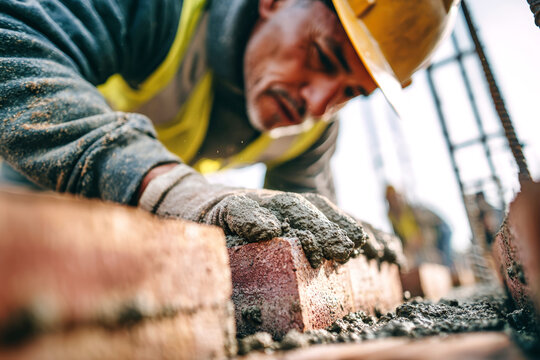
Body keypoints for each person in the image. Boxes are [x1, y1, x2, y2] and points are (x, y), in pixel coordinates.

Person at [0, 0, 459, 268]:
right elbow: (12, 37)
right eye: (323, 55)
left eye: (351, 92)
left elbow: (298, 234)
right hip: (25, 199)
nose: (317, 104)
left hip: (121, 248)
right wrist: (162, 184)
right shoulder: (166, 12)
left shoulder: (313, 130)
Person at [385, 185, 454, 268]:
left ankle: (449, 267)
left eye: (395, 197)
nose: (394, 201)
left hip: (441, 229)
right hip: (419, 238)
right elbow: (401, 236)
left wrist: (415, 241)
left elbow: (423, 231)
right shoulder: (392, 216)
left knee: (443, 256)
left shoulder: (413, 210)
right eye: (391, 199)